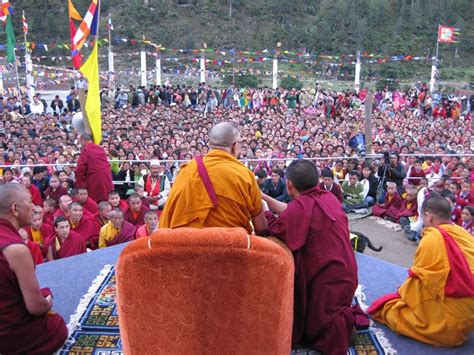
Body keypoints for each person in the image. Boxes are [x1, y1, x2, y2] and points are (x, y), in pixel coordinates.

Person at [263, 160, 366, 354]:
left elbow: (276, 229)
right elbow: (291, 210)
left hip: (326, 281)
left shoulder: (299, 208)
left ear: (289, 184)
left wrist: (264, 211)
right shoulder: (329, 198)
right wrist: (264, 197)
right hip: (348, 273)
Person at [368, 195, 474, 347]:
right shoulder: (463, 233)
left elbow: (417, 280)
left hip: (452, 326)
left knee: (391, 310)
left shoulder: (431, 239)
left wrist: (401, 296)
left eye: (422, 216)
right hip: (470, 314)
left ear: (429, 217)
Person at [160, 122, 267, 234]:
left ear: (210, 144)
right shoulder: (245, 175)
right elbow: (260, 227)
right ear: (235, 146)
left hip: (189, 244)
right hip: (232, 246)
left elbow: (169, 214)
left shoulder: (186, 171)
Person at [0, 184, 67, 353]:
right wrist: (47, 302)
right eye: (30, 201)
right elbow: (35, 308)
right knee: (57, 326)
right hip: (7, 334)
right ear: (15, 208)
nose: (35, 207)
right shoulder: (16, 249)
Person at [75, 133, 114, 202]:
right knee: (107, 199)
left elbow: (81, 168)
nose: (80, 144)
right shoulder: (100, 148)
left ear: (83, 140)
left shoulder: (86, 149)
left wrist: (81, 181)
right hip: (106, 176)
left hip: (95, 178)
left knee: (95, 200)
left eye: (80, 142)